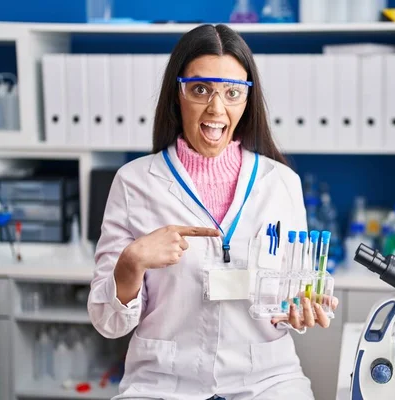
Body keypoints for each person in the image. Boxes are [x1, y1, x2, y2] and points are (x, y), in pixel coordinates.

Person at [88, 24, 338, 400]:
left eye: (232, 92)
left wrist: (302, 310)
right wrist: (130, 264)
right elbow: (107, 323)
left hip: (266, 380)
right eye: (201, 89)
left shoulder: (281, 183)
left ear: (246, 100)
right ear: (178, 93)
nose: (216, 108)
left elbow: (293, 294)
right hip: (163, 381)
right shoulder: (133, 182)